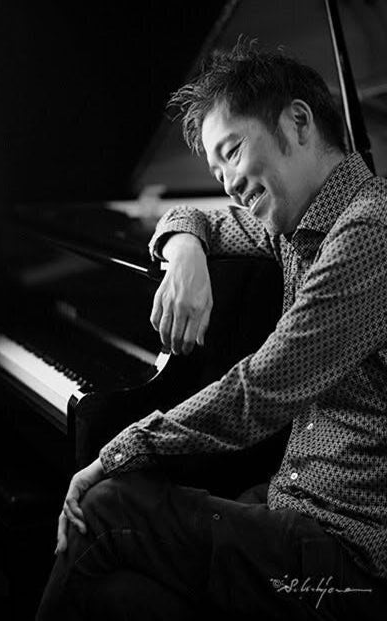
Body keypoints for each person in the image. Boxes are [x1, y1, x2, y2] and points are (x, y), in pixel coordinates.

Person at [36, 40, 387, 620]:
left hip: (350, 559)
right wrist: (185, 251)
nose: (228, 184)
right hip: (290, 509)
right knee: (116, 594)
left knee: (104, 507)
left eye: (232, 152)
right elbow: (194, 216)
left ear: (298, 122)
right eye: (217, 171)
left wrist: (118, 451)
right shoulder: (294, 222)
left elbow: (259, 390)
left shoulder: (371, 231)